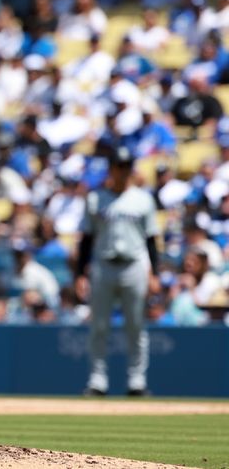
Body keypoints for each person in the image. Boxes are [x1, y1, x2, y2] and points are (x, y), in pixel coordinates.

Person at [76, 146, 160, 397]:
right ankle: (97, 380)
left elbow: (151, 240)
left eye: (126, 167)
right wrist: (80, 273)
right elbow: (86, 239)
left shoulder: (143, 199)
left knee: (135, 325)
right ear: (111, 168)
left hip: (133, 264)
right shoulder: (95, 198)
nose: (122, 171)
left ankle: (137, 381)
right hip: (103, 264)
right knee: (99, 326)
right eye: (118, 166)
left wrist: (153, 272)